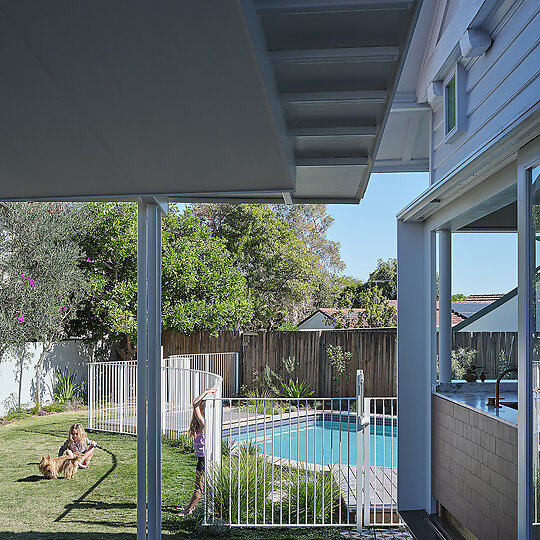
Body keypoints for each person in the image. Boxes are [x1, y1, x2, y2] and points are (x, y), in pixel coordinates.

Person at [177, 387, 217, 517]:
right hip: (203, 458)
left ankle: (188, 509)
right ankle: (190, 507)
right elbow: (196, 404)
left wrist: (206, 393)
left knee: (199, 487)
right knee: (198, 485)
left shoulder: (204, 423)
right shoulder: (202, 423)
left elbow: (195, 404)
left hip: (204, 459)